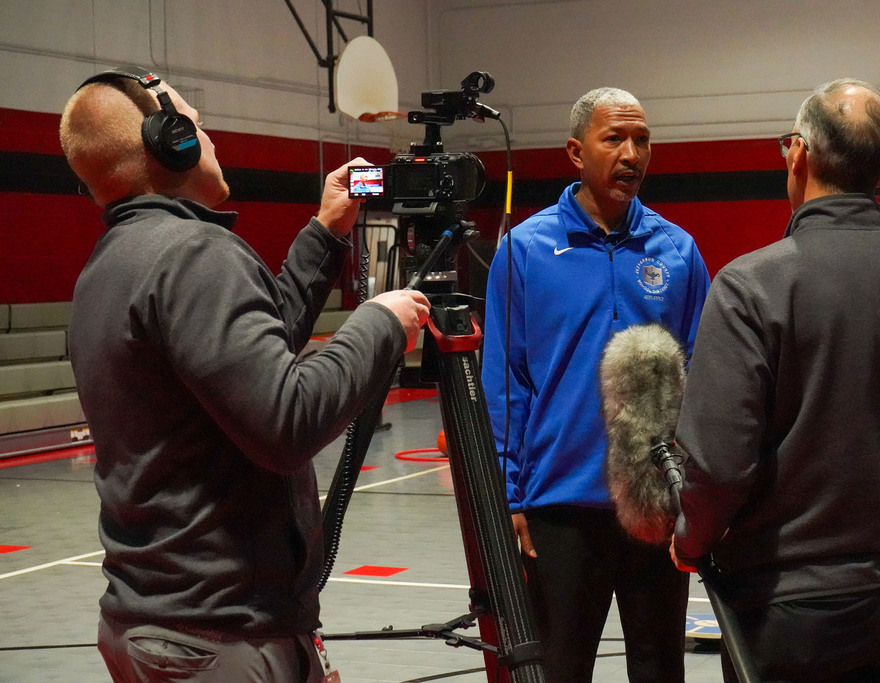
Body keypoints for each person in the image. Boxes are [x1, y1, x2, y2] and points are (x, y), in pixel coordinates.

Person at [59, 66, 430, 682]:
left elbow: (241, 360)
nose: (210, 138)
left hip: (157, 624)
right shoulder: (195, 253)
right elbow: (287, 421)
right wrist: (379, 323)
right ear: (171, 142)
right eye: (198, 125)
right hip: (220, 635)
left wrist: (325, 231)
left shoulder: (111, 265)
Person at [671, 78, 880, 682]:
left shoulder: (749, 287)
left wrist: (690, 540)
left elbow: (719, 466)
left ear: (798, 153)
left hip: (786, 614)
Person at [481, 87, 710, 682]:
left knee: (660, 670)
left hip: (655, 507)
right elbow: (505, 384)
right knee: (559, 670)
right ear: (576, 152)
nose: (632, 154)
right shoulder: (524, 250)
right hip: (558, 507)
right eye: (615, 139)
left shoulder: (678, 251)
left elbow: (703, 381)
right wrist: (509, 496)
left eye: (642, 140)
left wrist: (696, 496)